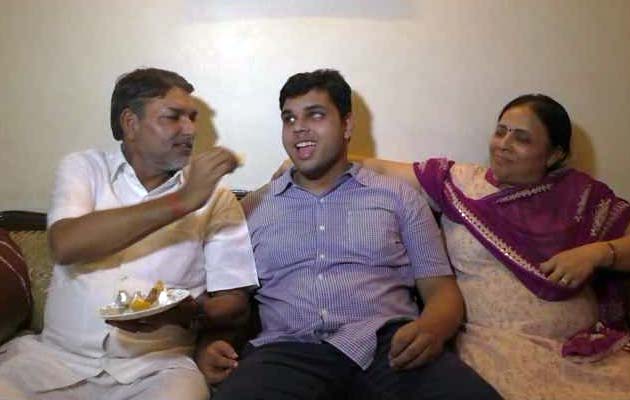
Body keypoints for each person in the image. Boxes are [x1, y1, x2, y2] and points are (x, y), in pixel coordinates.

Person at [196, 69, 501, 400]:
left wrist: (432, 329)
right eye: (289, 118)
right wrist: (209, 346)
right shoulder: (251, 209)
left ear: (347, 125)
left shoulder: (399, 197)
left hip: (390, 349)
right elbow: (232, 305)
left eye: (315, 114)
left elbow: (442, 291)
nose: (299, 127)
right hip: (286, 354)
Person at [352, 94, 630, 399]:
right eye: (500, 131)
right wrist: (325, 153)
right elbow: (381, 171)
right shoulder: (459, 184)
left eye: (522, 138)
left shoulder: (580, 196)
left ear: (554, 154)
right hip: (495, 347)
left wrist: (597, 253)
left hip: (581, 350)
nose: (504, 144)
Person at [0, 68, 258, 400]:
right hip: (55, 360)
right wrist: (182, 201)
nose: (190, 129)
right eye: (173, 117)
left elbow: (234, 303)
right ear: (130, 123)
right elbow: (65, 245)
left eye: (192, 118)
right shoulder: (85, 168)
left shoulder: (216, 197)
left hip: (156, 369)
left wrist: (191, 314)